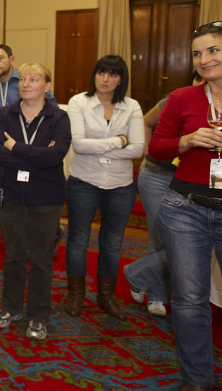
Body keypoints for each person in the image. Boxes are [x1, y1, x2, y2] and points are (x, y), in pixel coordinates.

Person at [149, 21, 222, 391]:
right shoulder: (182, 98)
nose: (204, 59)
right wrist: (188, 140)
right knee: (191, 300)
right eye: (197, 53)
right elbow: (157, 148)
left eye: (213, 50)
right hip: (185, 208)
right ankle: (197, 381)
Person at [0, 63, 71, 341]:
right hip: (11, 193)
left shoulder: (58, 118)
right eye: (22, 79)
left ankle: (38, 315)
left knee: (41, 258)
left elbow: (55, 156)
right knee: (13, 256)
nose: (25, 84)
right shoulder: (4, 114)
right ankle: (10, 307)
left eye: (33, 79)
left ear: (47, 86)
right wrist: (35, 154)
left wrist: (16, 147)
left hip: (46, 197)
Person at [64, 55, 144, 320]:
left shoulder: (132, 106)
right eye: (101, 72)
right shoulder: (79, 102)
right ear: (94, 74)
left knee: (112, 242)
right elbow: (79, 145)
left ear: (121, 79)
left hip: (120, 184)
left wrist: (108, 145)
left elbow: (138, 148)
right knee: (78, 239)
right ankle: (75, 294)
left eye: (112, 74)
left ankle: (106, 296)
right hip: (84, 181)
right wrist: (119, 141)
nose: (106, 79)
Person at [123, 71, 203, 319]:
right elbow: (146, 122)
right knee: (161, 237)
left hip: (193, 180)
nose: (202, 83)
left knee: (197, 239)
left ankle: (138, 274)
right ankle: (157, 296)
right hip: (159, 176)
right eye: (198, 78)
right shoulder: (175, 99)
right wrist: (147, 154)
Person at [0, 44, 58, 126]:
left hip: (30, 133)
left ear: (11, 60)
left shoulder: (27, 83)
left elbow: (53, 109)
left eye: (0, 59)